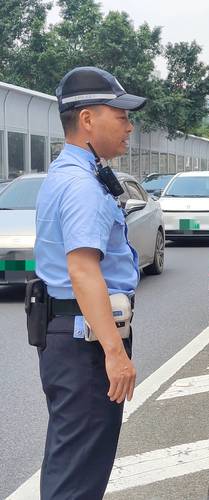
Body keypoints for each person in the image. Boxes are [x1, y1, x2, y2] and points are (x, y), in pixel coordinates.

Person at [33, 66, 146, 499]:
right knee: (78, 474)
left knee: (71, 460)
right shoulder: (81, 185)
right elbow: (83, 271)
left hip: (72, 336)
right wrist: (115, 355)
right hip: (87, 342)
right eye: (119, 114)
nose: (128, 125)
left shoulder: (69, 173)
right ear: (87, 120)